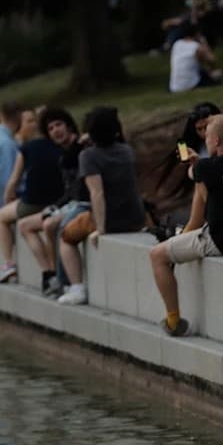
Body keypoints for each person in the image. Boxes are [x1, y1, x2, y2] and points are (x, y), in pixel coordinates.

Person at [149, 114, 223, 335]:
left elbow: (195, 173)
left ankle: (173, 320)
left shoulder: (206, 167)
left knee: (157, 255)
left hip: (222, 240)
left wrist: (195, 163)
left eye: (207, 137)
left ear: (216, 141)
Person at [55, 107, 146, 305]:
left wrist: (101, 229)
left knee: (65, 238)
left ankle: (76, 287)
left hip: (109, 220)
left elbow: (97, 193)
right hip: (136, 218)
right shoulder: (127, 151)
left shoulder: (88, 156)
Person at [0, 107, 66, 284]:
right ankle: (51, 273)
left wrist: (9, 196)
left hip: (33, 203)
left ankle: (9, 263)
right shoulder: (61, 147)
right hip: (58, 200)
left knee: (2, 217)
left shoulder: (27, 148)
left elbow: (13, 181)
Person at [16, 108, 83, 295]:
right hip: (68, 204)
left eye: (59, 125)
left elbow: (81, 192)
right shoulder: (63, 156)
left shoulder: (82, 148)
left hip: (82, 206)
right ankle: (49, 274)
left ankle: (62, 280)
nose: (56, 131)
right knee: (24, 225)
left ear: (68, 125)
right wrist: (54, 207)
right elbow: (68, 192)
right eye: (51, 128)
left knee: (50, 225)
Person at [169, 23, 223, 92]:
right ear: (197, 33)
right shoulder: (196, 46)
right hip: (191, 84)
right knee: (217, 73)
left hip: (174, 86)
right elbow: (212, 60)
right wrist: (203, 41)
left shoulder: (177, 44)